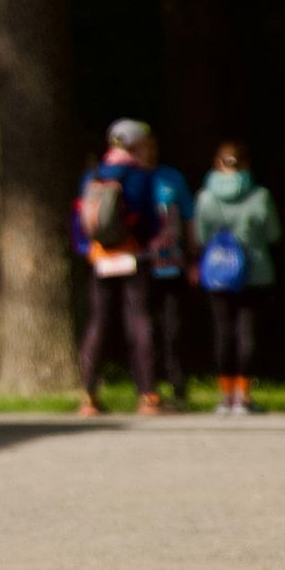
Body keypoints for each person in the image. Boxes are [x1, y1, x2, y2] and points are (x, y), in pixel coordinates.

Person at [73, 118, 163, 416]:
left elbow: (79, 219)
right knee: (139, 320)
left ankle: (88, 396)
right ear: (136, 146)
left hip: (100, 257)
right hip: (133, 255)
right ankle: (148, 396)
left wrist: (87, 249)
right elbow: (149, 220)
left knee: (98, 323)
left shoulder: (92, 175)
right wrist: (148, 241)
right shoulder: (141, 176)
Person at [194, 140, 282, 415]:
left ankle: (225, 396)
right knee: (247, 332)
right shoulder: (260, 196)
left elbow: (200, 237)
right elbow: (273, 234)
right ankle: (243, 397)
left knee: (222, 332)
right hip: (255, 273)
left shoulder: (206, 197)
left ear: (216, 164)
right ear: (246, 165)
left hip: (218, 272)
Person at [134, 128, 196, 408]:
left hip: (172, 265)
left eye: (152, 147)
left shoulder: (171, 178)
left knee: (174, 328)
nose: (148, 153)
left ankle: (178, 387)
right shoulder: (131, 179)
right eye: (143, 148)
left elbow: (188, 218)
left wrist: (193, 257)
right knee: (144, 328)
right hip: (140, 266)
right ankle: (146, 387)